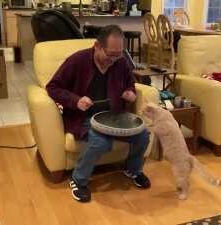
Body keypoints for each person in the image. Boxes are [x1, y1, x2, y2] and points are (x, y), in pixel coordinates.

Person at [46, 25, 151, 203]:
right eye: (110, 54)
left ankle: (133, 170)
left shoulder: (121, 61)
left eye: (119, 54)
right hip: (84, 118)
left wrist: (130, 92)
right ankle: (78, 180)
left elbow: (129, 84)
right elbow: (53, 87)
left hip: (115, 116)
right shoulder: (77, 61)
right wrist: (76, 100)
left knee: (142, 135)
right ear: (97, 46)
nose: (114, 59)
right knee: (101, 142)